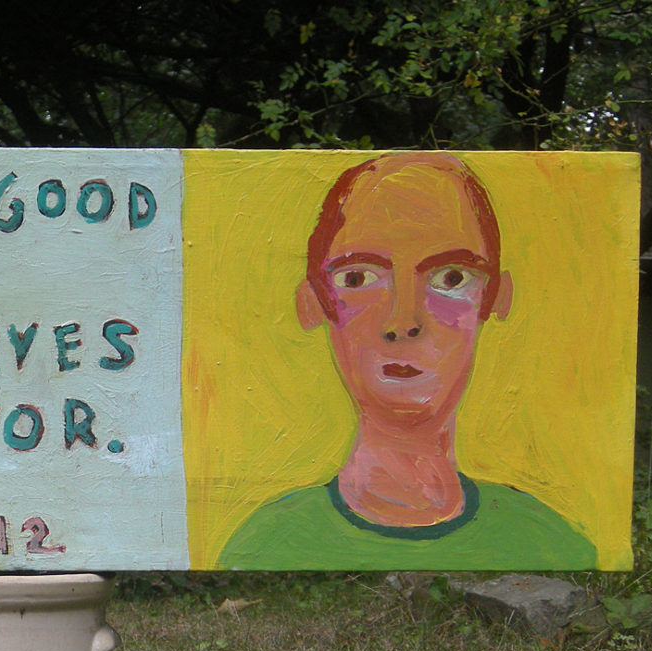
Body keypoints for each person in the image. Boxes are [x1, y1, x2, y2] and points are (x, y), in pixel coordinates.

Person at [219, 152, 595, 569]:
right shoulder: (266, 543)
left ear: (496, 299)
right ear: (312, 304)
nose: (403, 321)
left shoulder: (553, 545)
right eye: (357, 278)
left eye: (451, 278)